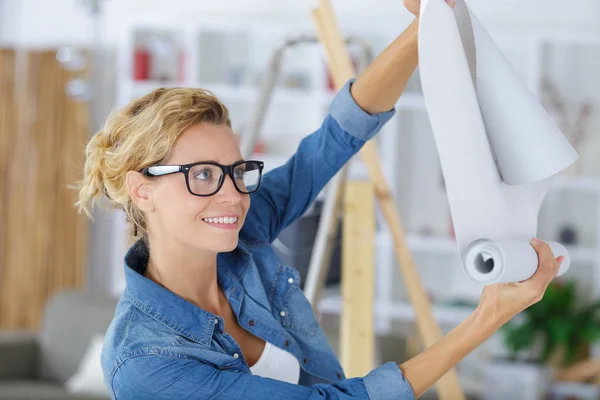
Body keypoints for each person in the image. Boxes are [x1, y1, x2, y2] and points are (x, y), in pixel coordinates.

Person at [77, 1, 564, 399]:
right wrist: (487, 318)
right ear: (143, 190)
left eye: (235, 170)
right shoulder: (147, 363)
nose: (232, 193)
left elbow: (334, 139)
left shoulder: (238, 234)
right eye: (203, 174)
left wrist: (427, 26)